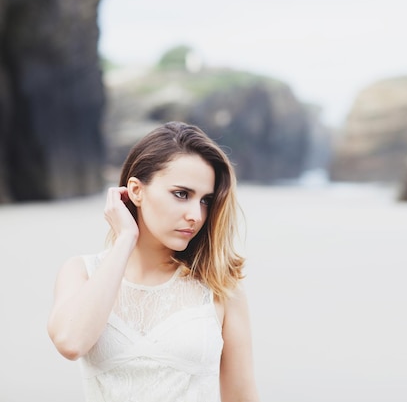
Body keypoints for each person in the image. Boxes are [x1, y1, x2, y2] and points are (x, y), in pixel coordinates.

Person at [47, 121, 260, 402]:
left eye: (205, 200)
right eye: (181, 194)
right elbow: (71, 343)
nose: (195, 214)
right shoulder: (81, 272)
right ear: (136, 190)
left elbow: (241, 397)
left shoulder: (219, 284)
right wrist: (125, 239)